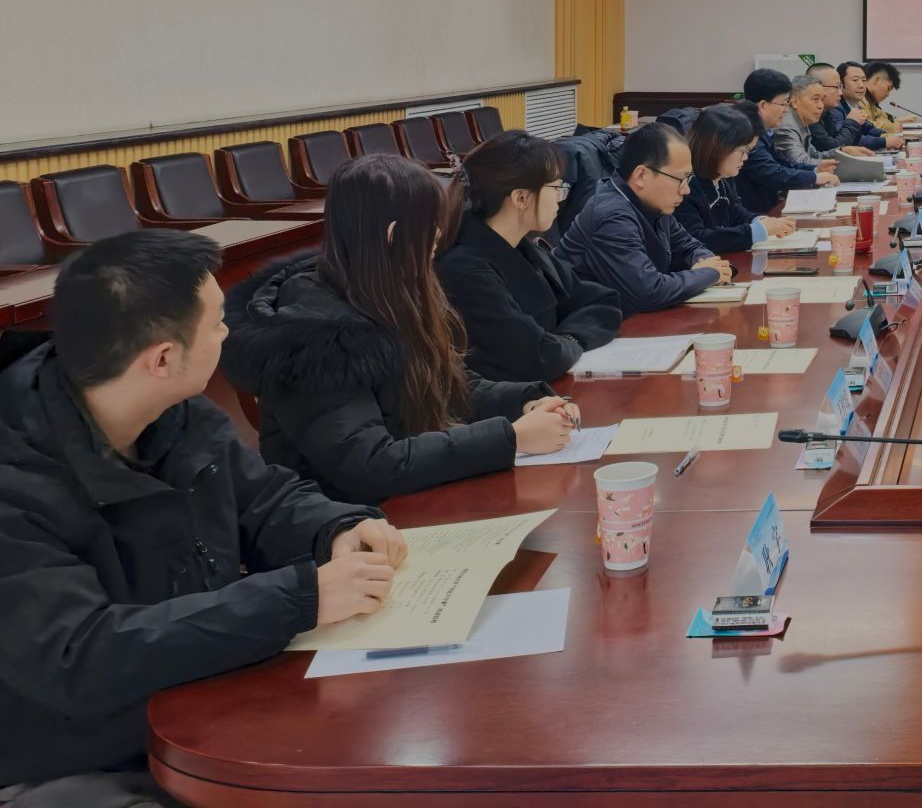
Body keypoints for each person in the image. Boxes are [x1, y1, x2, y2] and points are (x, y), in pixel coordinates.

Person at [0, 231, 406, 802]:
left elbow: (264, 499)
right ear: (163, 358)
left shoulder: (174, 411)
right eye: (216, 322)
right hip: (81, 760)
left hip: (207, 699)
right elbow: (81, 657)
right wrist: (298, 598)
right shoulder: (16, 481)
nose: (226, 332)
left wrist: (335, 527)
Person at [223, 156, 576, 504]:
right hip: (349, 520)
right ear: (394, 235)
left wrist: (526, 401)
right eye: (430, 225)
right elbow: (369, 464)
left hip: (413, 495)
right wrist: (509, 438)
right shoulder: (311, 334)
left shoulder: (392, 288)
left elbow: (450, 386)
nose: (438, 236)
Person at [435, 132, 624, 383]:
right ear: (521, 198)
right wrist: (566, 341)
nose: (560, 198)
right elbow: (537, 356)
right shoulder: (465, 270)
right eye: (556, 187)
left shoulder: (523, 248)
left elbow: (602, 302)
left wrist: (565, 340)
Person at [558, 120, 734, 311]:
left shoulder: (654, 204)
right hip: (590, 322)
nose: (686, 190)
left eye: (688, 179)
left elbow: (690, 247)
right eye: (680, 179)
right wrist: (708, 273)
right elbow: (649, 292)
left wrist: (708, 264)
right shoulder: (612, 216)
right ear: (641, 175)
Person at [680, 103, 800, 254]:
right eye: (743, 150)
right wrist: (754, 232)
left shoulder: (722, 176)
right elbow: (698, 238)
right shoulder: (685, 185)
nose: (745, 158)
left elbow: (735, 212)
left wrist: (762, 221)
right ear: (717, 147)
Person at [736, 68, 838, 215]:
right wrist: (815, 177)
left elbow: (783, 162)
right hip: (756, 214)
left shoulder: (762, 130)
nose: (786, 110)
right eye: (784, 104)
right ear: (763, 105)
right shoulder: (745, 134)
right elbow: (772, 173)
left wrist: (815, 169)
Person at [779, 71, 885, 183]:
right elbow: (802, 162)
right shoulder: (787, 126)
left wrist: (842, 152)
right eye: (815, 99)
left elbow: (814, 155)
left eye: (822, 100)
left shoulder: (803, 120)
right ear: (795, 102)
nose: (820, 106)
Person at [836, 61, 905, 150]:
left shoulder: (854, 103)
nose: (862, 85)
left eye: (863, 80)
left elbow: (868, 128)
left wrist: (884, 135)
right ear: (841, 84)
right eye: (855, 80)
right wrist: (884, 141)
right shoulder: (835, 107)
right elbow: (846, 140)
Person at [856, 60, 907, 129]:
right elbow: (866, 127)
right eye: (888, 88)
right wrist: (893, 127)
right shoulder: (858, 97)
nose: (888, 94)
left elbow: (884, 118)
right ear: (877, 80)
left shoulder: (871, 101)